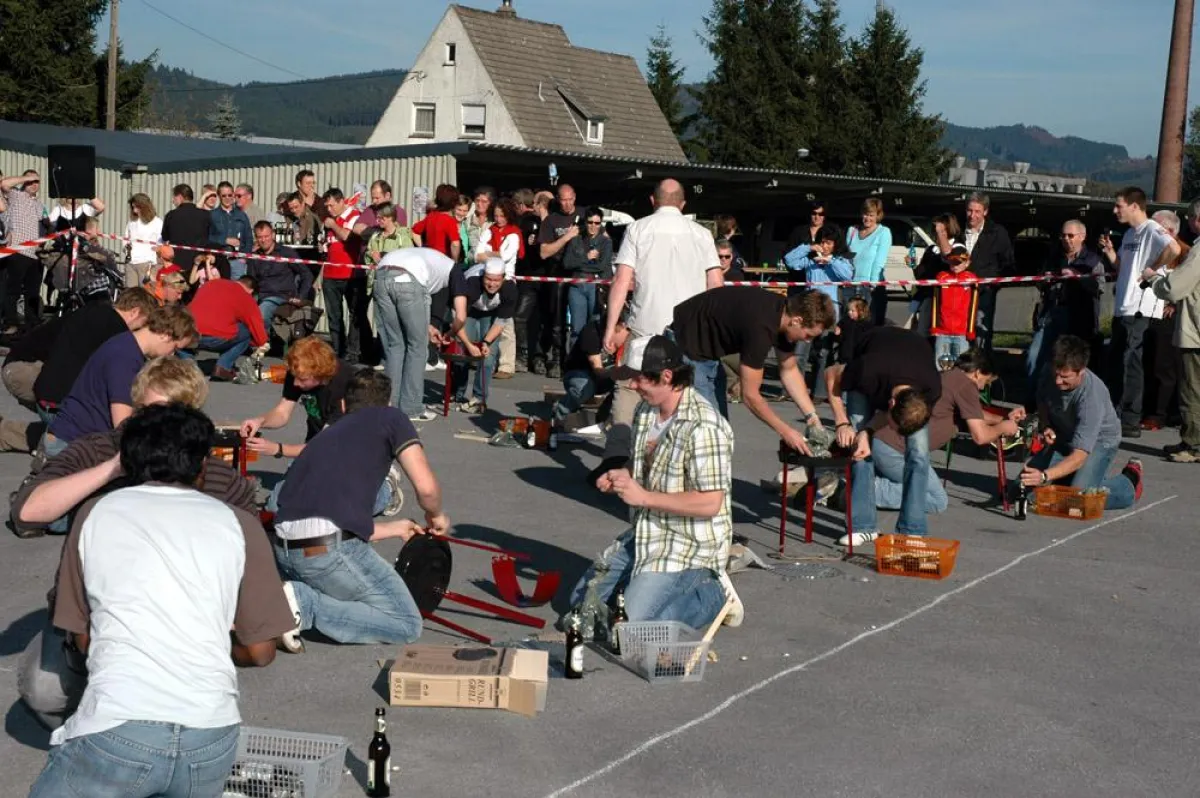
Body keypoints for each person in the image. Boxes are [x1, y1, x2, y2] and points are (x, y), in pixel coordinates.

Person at [25, 403, 294, 798]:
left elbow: (82, 638)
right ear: (201, 466)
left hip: (116, 729)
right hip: (212, 737)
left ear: (129, 464)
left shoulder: (95, 513)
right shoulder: (240, 524)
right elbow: (260, 652)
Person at [570, 335, 738, 628]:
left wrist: (644, 497)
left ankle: (713, 595)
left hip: (688, 543)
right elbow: (641, 468)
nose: (633, 386)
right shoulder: (646, 411)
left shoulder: (706, 426)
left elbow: (711, 503)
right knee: (581, 608)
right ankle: (642, 592)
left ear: (667, 376)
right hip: (646, 532)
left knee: (629, 629)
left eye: (639, 380)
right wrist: (623, 475)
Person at [272, 371, 448, 646]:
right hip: (327, 552)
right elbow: (426, 489)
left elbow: (324, 516)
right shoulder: (392, 418)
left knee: (354, 593)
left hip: (286, 549)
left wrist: (393, 528)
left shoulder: (322, 438)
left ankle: (292, 596)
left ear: (343, 405)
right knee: (405, 623)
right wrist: (435, 515)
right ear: (388, 405)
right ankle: (304, 604)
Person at [600, 179, 724, 472]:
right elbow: (716, 284)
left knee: (630, 391)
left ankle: (617, 459)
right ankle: (678, 467)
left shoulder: (637, 229)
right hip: (690, 331)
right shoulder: (702, 234)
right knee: (683, 398)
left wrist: (610, 328)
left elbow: (621, 281)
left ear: (652, 201)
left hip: (647, 325)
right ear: (683, 204)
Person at [863, 349, 1024, 515]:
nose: (984, 386)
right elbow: (980, 436)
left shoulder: (949, 377)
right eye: (987, 381)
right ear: (977, 373)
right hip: (897, 451)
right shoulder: (966, 386)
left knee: (919, 489)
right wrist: (1004, 428)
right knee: (936, 499)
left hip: (888, 445)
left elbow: (975, 414)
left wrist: (1002, 419)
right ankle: (863, 490)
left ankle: (863, 482)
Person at [825, 326, 942, 546]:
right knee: (858, 450)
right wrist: (843, 423)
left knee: (918, 455)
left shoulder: (932, 389)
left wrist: (868, 431)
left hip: (914, 356)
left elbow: (892, 419)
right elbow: (830, 374)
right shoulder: (866, 370)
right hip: (873, 355)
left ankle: (912, 529)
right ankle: (862, 526)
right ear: (889, 404)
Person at [670, 288, 835, 442]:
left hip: (706, 352)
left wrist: (812, 417)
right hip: (685, 346)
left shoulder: (783, 316)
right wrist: (787, 432)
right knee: (710, 434)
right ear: (797, 320)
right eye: (808, 335)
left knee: (720, 430)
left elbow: (790, 370)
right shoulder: (761, 328)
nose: (807, 341)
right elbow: (750, 396)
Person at [43, 305, 197, 459]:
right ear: (166, 335)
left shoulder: (125, 343)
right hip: (74, 443)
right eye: (175, 347)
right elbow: (122, 424)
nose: (172, 354)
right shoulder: (125, 359)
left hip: (77, 438)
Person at [1020, 335, 1144, 510]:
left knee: (1077, 501)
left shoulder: (1091, 397)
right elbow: (1042, 399)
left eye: (1065, 377)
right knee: (1021, 491)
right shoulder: (1049, 370)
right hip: (1065, 434)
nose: (1057, 381)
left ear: (1082, 370)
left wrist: (1044, 477)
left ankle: (1129, 483)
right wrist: (1045, 425)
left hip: (1099, 442)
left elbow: (1079, 457)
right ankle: (1070, 478)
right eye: (1056, 374)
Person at [1098, 187, 1181, 438]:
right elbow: (1124, 268)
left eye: (1119, 205)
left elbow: (1174, 250)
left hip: (1140, 308)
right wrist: (1111, 253)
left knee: (1132, 363)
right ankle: (1118, 411)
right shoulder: (1129, 234)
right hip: (1124, 305)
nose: (1115, 210)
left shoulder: (1152, 229)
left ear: (1135, 206)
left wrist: (1152, 268)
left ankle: (1131, 418)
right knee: (1118, 361)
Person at [33, 289, 159, 422]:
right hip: (63, 407)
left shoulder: (90, 310)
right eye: (144, 323)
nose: (142, 329)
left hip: (44, 394)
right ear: (134, 312)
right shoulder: (117, 332)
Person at [1026, 220, 1105, 400]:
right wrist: (1044, 280)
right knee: (1034, 356)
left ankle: (1068, 401)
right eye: (1063, 235)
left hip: (1078, 317)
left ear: (1082, 237)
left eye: (1071, 235)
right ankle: (1032, 400)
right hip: (1051, 313)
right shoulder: (1053, 257)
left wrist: (1077, 278)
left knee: (1068, 362)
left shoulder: (1093, 261)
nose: (1066, 239)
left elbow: (1099, 288)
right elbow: (1039, 283)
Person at [374, 247, 456, 420]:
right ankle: (411, 407)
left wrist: (429, 326)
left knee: (395, 346)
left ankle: (389, 403)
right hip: (409, 279)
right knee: (418, 348)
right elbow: (431, 301)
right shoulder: (452, 272)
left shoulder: (433, 260)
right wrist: (440, 328)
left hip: (381, 274)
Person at [239, 336, 357, 455]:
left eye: (302, 379)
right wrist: (260, 421)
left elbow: (325, 443)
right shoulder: (298, 371)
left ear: (320, 374)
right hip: (316, 438)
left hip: (347, 448)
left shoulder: (347, 386)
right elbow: (282, 413)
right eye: (294, 377)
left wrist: (278, 449)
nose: (295, 383)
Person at [1146, 200, 1200, 463]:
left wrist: (1154, 279)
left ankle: (1192, 445)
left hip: (1196, 331)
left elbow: (1177, 288)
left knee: (1192, 390)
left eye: (1190, 218)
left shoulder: (1199, 250)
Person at [449, 259, 517, 412]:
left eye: (496, 280)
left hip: (493, 312)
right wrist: (469, 345)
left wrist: (485, 342)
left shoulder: (510, 289)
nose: (492, 284)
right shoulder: (472, 284)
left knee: (488, 356)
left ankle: (479, 398)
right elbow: (458, 319)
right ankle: (456, 392)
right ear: (483, 277)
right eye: (488, 279)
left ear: (503, 278)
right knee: (462, 353)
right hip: (468, 311)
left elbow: (501, 322)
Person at [1141, 210, 1187, 431]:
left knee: (1165, 366)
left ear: (1169, 231)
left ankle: (1160, 413)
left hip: (1169, 316)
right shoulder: (1151, 251)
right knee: (1147, 362)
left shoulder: (1185, 253)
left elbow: (1188, 284)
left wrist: (1174, 304)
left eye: (1156, 228)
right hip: (1146, 312)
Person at [186, 275, 269, 381]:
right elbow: (255, 324)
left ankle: (186, 364)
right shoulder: (245, 296)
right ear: (251, 290)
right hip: (215, 337)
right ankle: (222, 368)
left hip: (188, 333)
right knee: (246, 330)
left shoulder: (211, 283)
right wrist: (261, 343)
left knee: (185, 333)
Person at [961, 192, 1015, 354]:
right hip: (958, 292)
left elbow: (1008, 262)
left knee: (980, 333)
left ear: (985, 212)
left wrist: (994, 284)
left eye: (977, 211)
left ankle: (982, 371)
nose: (972, 215)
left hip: (984, 292)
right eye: (970, 211)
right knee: (959, 333)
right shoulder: (958, 231)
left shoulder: (998, 233)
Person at [537, 185, 583, 377]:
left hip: (580, 273)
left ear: (575, 197)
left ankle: (578, 360)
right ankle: (555, 359)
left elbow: (602, 236)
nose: (567, 203)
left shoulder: (584, 214)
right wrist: (567, 237)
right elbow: (544, 252)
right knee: (557, 320)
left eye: (570, 199)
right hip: (557, 273)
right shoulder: (551, 221)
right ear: (558, 199)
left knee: (580, 321)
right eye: (563, 200)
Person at [551, 314, 628, 429]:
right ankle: (560, 412)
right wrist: (617, 373)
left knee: (626, 384)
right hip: (579, 374)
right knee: (584, 387)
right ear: (620, 326)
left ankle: (605, 416)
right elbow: (598, 370)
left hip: (605, 377)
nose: (628, 336)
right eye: (626, 331)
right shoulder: (591, 332)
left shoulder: (629, 339)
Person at [320, 188, 369, 363]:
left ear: (341, 202)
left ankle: (353, 351)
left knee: (355, 314)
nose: (329, 209)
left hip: (351, 274)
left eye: (332, 205)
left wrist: (333, 225)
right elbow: (328, 243)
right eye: (327, 206)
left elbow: (348, 236)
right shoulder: (328, 220)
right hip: (330, 273)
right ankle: (337, 348)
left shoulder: (354, 216)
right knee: (334, 315)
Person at [0, 170, 45, 332]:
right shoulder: (15, 195)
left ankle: (31, 323)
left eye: (36, 181)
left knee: (32, 291)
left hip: (34, 253)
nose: (33, 184)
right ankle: (11, 323)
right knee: (13, 289)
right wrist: (27, 177)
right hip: (17, 250)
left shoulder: (40, 205)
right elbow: (4, 184)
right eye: (30, 181)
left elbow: (45, 225)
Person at [246, 220, 311, 333]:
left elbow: (306, 274)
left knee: (261, 316)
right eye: (260, 237)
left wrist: (300, 297)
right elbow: (251, 282)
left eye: (266, 236)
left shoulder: (287, 253)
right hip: (261, 297)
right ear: (256, 238)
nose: (263, 240)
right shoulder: (254, 257)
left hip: (283, 297)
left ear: (273, 234)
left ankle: (263, 343)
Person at [563, 206, 613, 350]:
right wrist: (586, 258)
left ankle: (594, 365)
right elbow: (567, 263)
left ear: (601, 224)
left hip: (596, 286)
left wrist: (578, 264)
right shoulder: (576, 239)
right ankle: (574, 364)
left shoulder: (605, 242)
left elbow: (601, 266)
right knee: (576, 329)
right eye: (590, 222)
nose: (593, 226)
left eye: (597, 223)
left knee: (595, 327)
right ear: (585, 222)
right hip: (577, 286)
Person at [930, 241, 977, 366]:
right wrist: (934, 326)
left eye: (958, 262)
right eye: (952, 262)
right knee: (941, 366)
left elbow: (974, 305)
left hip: (961, 333)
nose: (955, 265)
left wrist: (970, 330)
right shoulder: (942, 277)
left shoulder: (971, 279)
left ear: (967, 263)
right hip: (942, 332)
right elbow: (935, 301)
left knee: (961, 367)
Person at [846, 197, 893, 324]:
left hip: (871, 288)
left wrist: (872, 284)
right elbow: (845, 258)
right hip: (851, 286)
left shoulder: (884, 232)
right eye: (865, 214)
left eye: (871, 215)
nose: (867, 218)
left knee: (870, 326)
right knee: (850, 327)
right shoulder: (852, 231)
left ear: (878, 215)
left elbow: (879, 261)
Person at [160, 184, 212, 280]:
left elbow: (164, 237)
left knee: (178, 292)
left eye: (174, 198)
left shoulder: (171, 215)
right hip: (199, 264)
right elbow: (211, 236)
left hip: (177, 264)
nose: (173, 201)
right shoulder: (205, 215)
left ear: (180, 197)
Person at [411, 184, 463, 262]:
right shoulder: (450, 220)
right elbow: (455, 244)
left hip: (429, 258)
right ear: (454, 202)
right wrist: (454, 262)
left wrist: (422, 247)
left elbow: (414, 232)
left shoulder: (431, 216)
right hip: (443, 260)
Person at [124, 193, 163, 288]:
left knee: (146, 293)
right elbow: (125, 238)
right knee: (131, 293)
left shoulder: (157, 222)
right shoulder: (131, 222)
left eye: (137, 207)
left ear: (145, 206)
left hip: (147, 263)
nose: (134, 210)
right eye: (133, 207)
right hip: (131, 262)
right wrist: (126, 248)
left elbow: (161, 243)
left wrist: (155, 265)